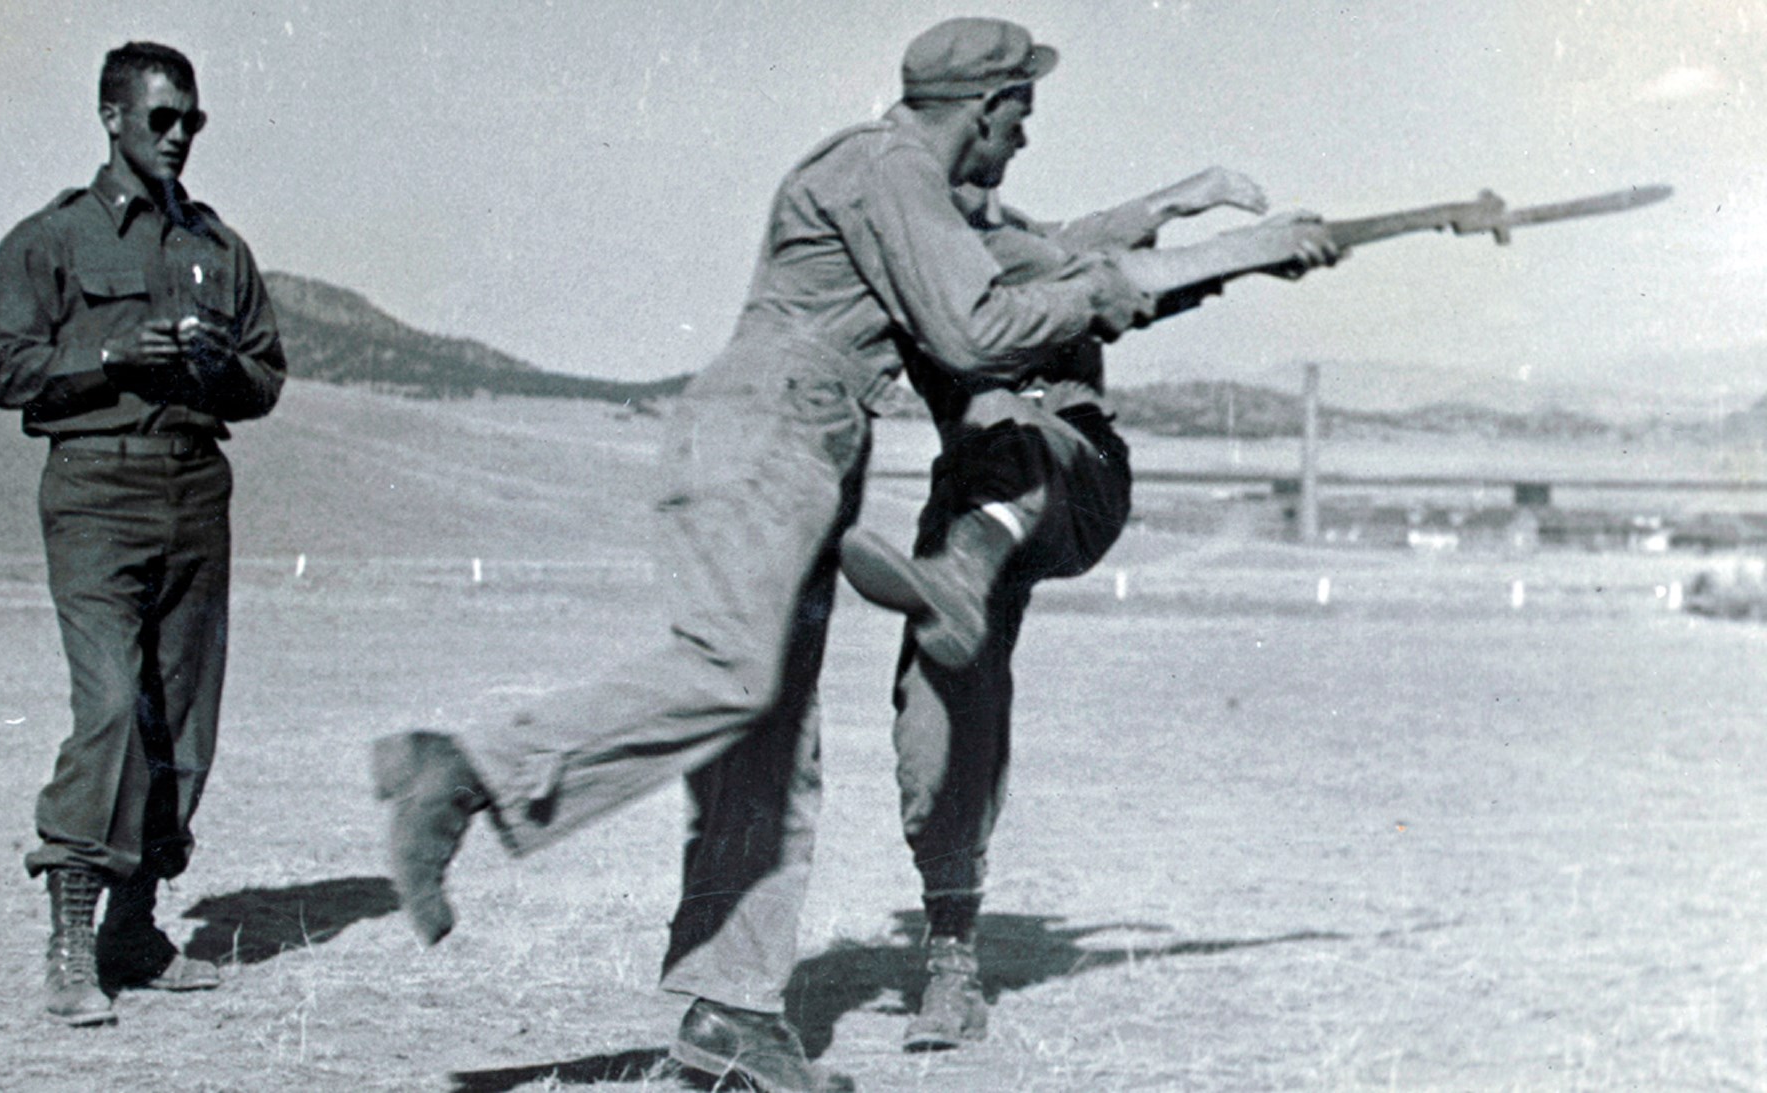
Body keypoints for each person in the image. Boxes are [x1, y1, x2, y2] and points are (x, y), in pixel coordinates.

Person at [372, 18, 1335, 1092]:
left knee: (774, 734)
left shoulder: (911, 187)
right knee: (733, 674)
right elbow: (981, 322)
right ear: (985, 108)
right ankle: (463, 773)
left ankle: (732, 1011)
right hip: (770, 431)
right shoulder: (887, 170)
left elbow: (1051, 252)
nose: (1020, 144)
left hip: (810, 439)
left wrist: (1207, 228)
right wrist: (1217, 248)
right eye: (1021, 119)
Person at [836, 162, 1343, 1056]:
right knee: (933, 713)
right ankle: (952, 965)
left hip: (1074, 476)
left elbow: (1105, 271)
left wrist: (1245, 245)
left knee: (1017, 439)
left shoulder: (1036, 248)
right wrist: (1200, 218)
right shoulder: (913, 274)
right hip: (967, 498)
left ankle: (965, 567)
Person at [0, 41, 285, 1027]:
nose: (179, 135)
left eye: (190, 119)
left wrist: (211, 366)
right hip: (94, 489)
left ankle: (135, 928)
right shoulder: (50, 240)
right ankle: (72, 936)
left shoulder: (219, 246)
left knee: (180, 725)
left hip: (196, 487)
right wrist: (114, 352)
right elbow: (7, 370)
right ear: (112, 118)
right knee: (111, 705)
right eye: (160, 118)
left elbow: (267, 377)